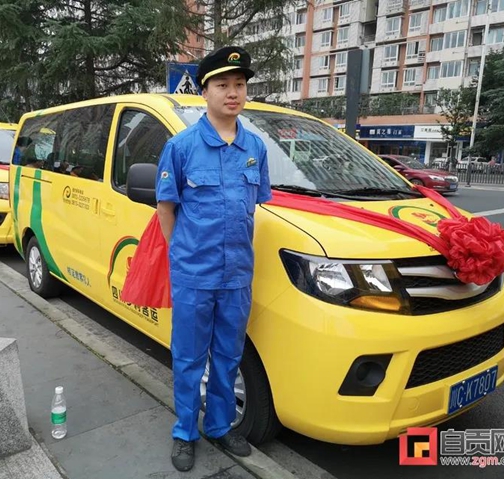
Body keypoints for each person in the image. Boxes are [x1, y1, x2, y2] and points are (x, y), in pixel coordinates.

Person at [155, 46, 272, 472]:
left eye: (239, 85)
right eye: (222, 85)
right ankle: (186, 432)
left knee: (227, 356)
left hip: (237, 276)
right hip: (194, 275)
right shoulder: (182, 147)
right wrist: (181, 256)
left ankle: (220, 427)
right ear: (204, 91)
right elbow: (165, 210)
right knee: (188, 357)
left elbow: (254, 207)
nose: (233, 92)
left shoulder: (254, 147)